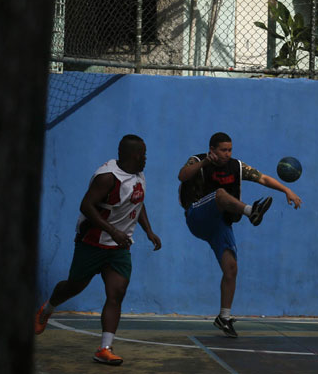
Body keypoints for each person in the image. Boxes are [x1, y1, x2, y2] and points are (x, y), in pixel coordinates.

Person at [34, 134, 162, 366]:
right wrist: (113, 231)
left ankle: (104, 348)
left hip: (119, 247)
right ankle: (47, 309)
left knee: (117, 293)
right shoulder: (107, 178)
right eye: (143, 154)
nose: (146, 159)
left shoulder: (138, 174)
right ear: (134, 155)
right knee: (74, 286)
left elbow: (137, 202)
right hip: (92, 243)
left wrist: (149, 231)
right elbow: (86, 205)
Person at [178, 131, 302, 337]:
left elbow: (262, 178)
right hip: (197, 214)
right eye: (223, 150)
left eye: (230, 150)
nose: (227, 154)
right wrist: (204, 163)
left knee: (231, 268)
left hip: (220, 224)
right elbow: (182, 175)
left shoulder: (235, 166)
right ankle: (250, 211)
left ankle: (224, 317)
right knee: (219, 194)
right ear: (212, 150)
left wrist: (286, 190)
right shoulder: (198, 160)